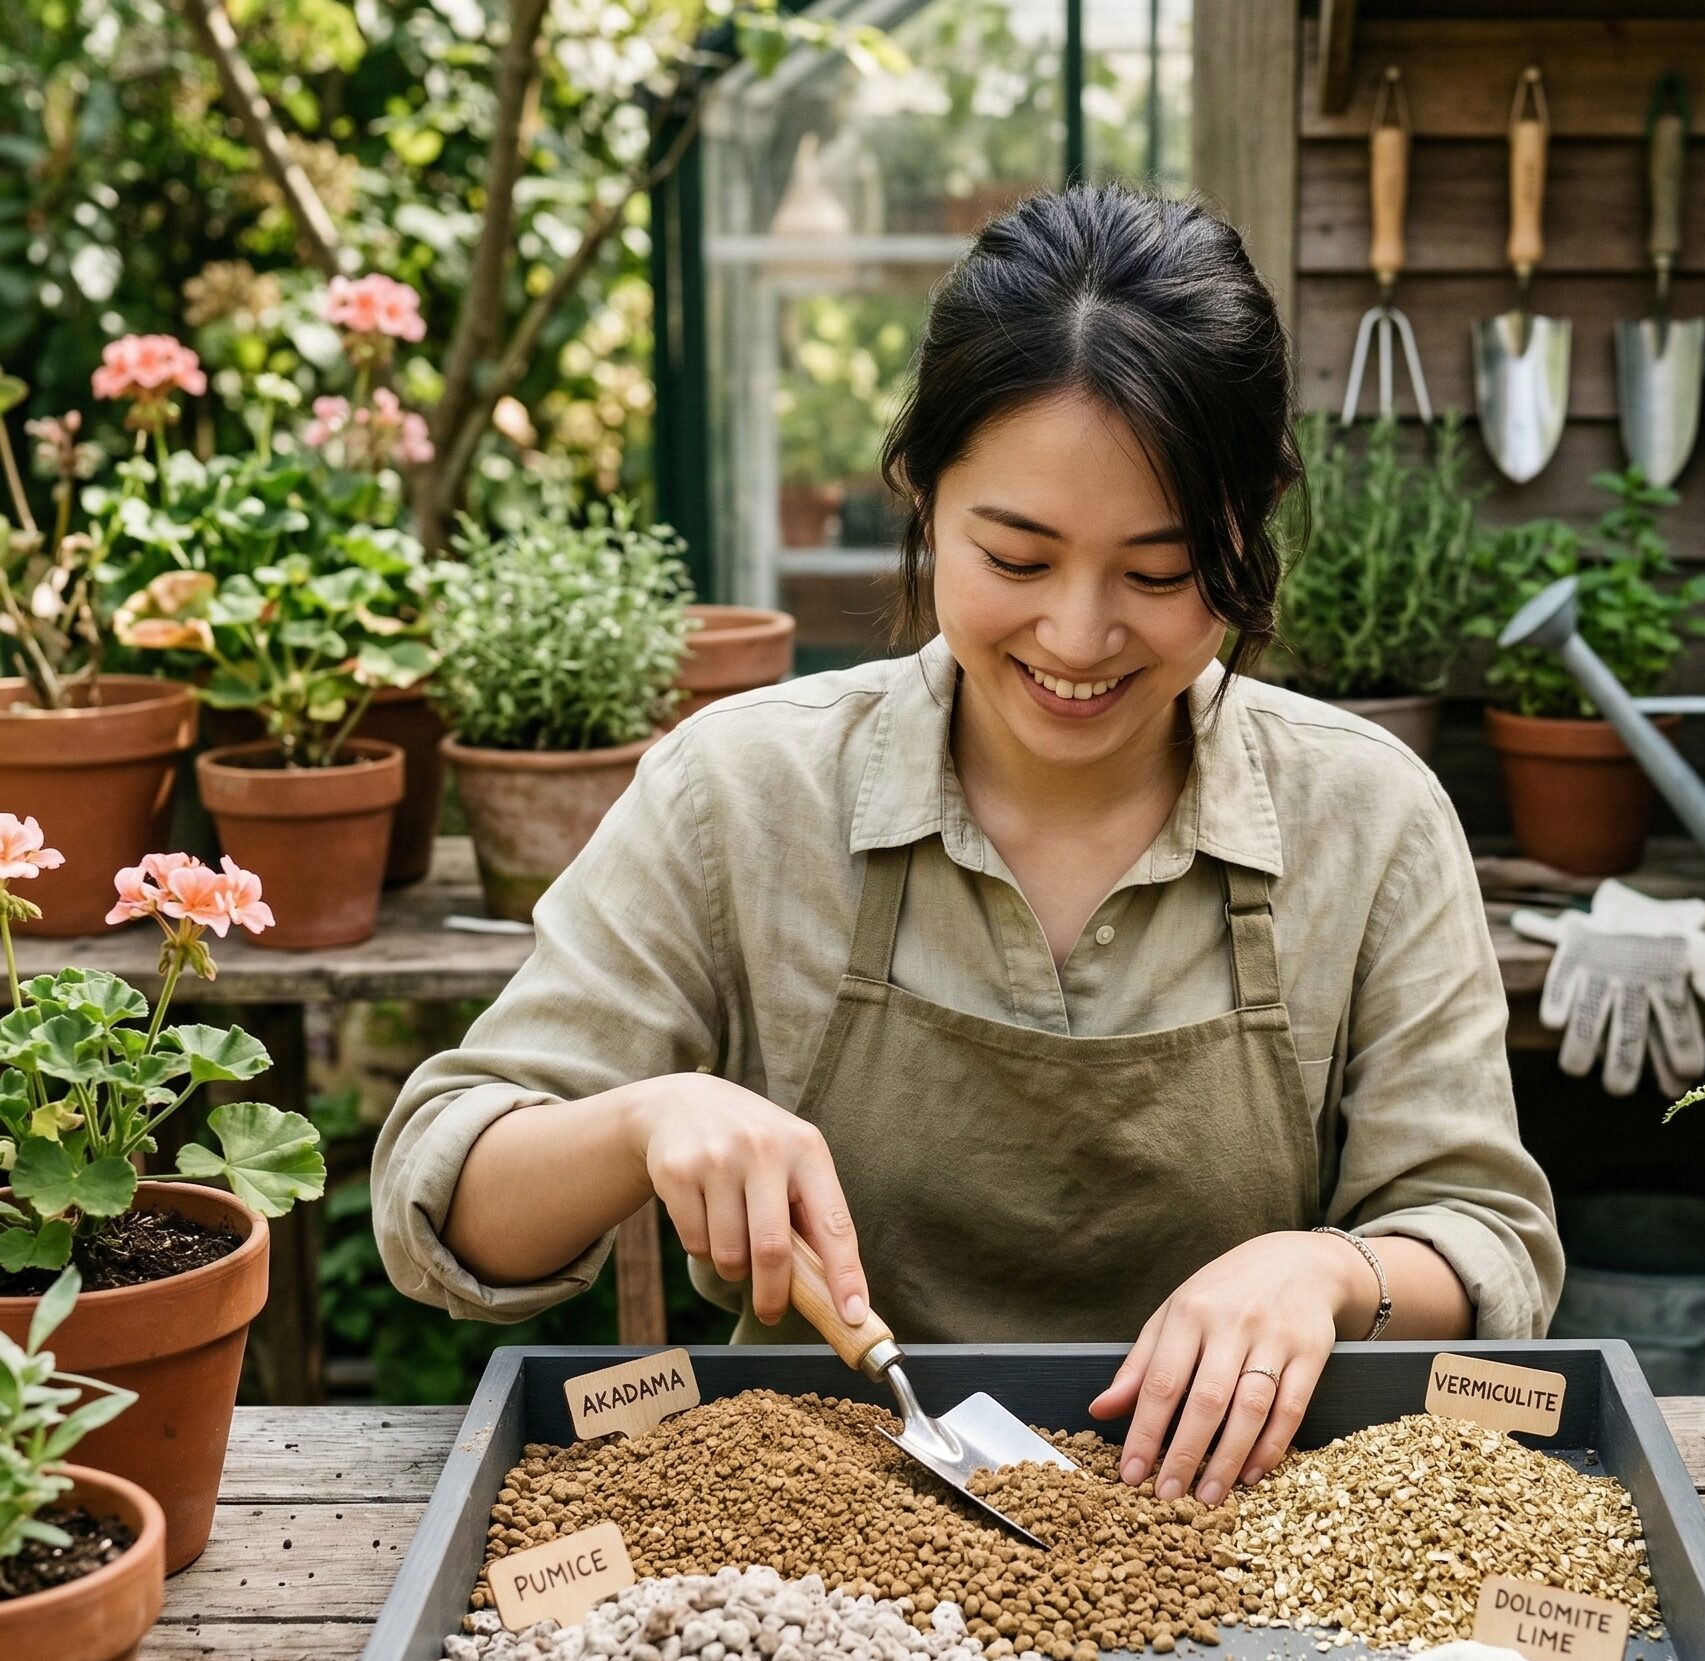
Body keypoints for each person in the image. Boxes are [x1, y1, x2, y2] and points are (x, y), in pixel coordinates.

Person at [373, 183, 1561, 1509]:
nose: (1076, 633)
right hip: (807, 1558)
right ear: (922, 498)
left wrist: (1332, 1273)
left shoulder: (1367, 817)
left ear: (1247, 537)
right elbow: (447, 1200)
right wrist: (647, 1119)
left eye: (1160, 575)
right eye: (1017, 554)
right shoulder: (743, 793)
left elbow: (1486, 1242)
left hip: (1247, 1546)